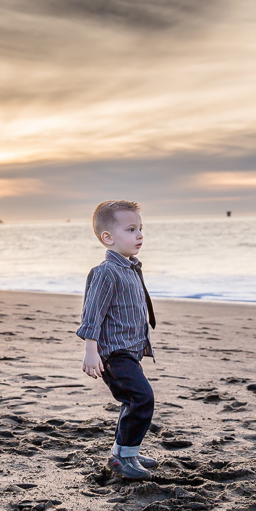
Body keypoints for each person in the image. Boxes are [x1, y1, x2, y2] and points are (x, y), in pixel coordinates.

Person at [77, 200, 159, 480]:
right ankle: (122, 457)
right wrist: (91, 351)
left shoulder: (130, 268)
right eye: (131, 229)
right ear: (108, 238)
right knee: (140, 398)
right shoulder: (106, 272)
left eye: (140, 229)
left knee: (135, 400)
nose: (139, 235)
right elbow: (92, 313)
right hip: (112, 354)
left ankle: (127, 452)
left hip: (130, 351)